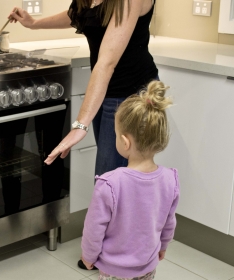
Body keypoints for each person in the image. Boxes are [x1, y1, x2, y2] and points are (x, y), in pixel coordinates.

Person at [8, 0, 159, 177]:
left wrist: (80, 125)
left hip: (131, 93)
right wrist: (34, 24)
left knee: (108, 179)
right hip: (105, 90)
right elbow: (79, 13)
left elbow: (107, 62)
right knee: (110, 178)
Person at [80, 81, 179, 280]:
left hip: (113, 269)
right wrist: (163, 246)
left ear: (125, 142)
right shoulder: (170, 179)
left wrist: (88, 256)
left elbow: (94, 228)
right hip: (147, 266)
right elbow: (169, 222)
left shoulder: (109, 184)